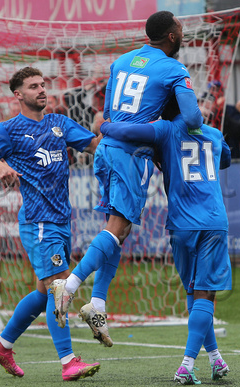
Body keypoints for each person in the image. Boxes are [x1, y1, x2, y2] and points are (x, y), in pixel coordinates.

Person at [48, 10, 203, 347]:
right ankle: (70, 286)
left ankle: (98, 304)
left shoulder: (121, 61)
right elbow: (192, 118)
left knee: (118, 229)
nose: (183, 30)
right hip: (129, 156)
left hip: (105, 150)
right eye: (180, 27)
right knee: (117, 228)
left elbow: (108, 112)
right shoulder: (174, 68)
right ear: (172, 36)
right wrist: (164, 124)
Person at [0, 67, 101, 381]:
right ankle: (69, 362)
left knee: (46, 292)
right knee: (60, 286)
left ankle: (2, 346)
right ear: (18, 95)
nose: (42, 90)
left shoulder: (60, 123)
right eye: (33, 86)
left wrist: (111, 129)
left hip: (61, 220)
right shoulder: (8, 129)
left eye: (43, 85)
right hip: (38, 221)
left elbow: (95, 145)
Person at [100, 97, 232, 385]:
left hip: (181, 225)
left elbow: (129, 134)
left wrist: (105, 125)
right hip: (212, 221)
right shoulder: (215, 134)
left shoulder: (164, 131)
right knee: (206, 294)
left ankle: (215, 358)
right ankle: (186, 365)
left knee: (194, 292)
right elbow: (226, 159)